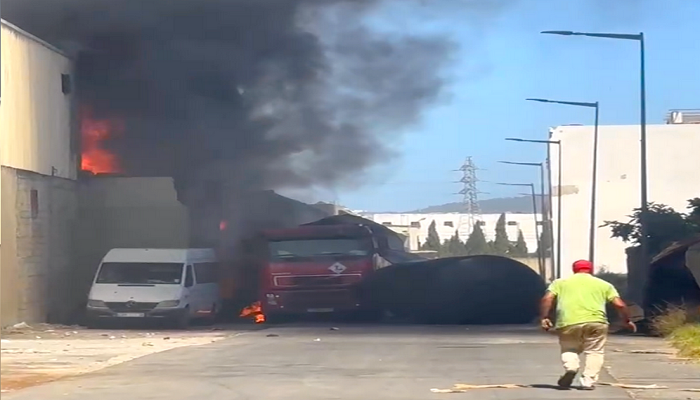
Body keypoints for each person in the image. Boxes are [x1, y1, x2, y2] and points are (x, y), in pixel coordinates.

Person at [539, 259, 636, 390]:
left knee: (569, 349)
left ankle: (571, 368)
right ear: (591, 270)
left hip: (568, 322)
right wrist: (626, 320)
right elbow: (620, 305)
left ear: (574, 270)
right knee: (594, 351)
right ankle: (588, 380)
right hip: (597, 322)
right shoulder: (604, 285)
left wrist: (545, 317)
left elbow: (547, 298)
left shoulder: (560, 283)